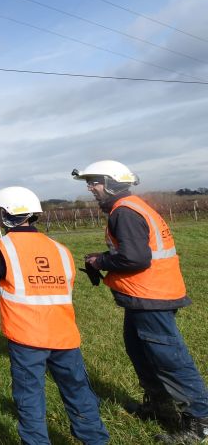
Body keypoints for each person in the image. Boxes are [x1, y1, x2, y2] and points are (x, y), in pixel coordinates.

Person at [73, 160, 208, 443]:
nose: (90, 188)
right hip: (144, 296)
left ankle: (201, 422)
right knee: (141, 353)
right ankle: (160, 407)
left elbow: (136, 258)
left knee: (170, 360)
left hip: (150, 296)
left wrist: (100, 260)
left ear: (111, 183)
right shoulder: (132, 208)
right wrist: (105, 259)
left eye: (94, 181)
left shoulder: (124, 212)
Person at [0, 186, 110, 445]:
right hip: (65, 336)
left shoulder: (0, 247)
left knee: (29, 397)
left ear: (6, 215)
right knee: (78, 391)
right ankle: (95, 440)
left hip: (26, 337)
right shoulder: (60, 249)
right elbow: (65, 285)